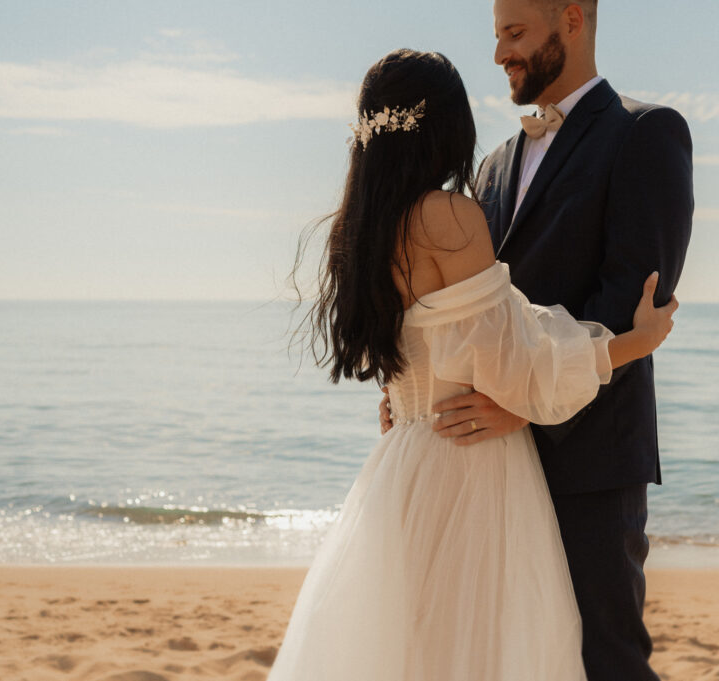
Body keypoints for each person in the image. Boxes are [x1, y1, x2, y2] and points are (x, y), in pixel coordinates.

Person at [271, 49, 677, 680]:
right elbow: (518, 367)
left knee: (422, 650)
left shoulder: (361, 227)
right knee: (489, 650)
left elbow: (405, 349)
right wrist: (636, 341)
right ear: (445, 127)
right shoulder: (452, 214)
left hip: (402, 465)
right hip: (470, 466)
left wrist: (404, 397)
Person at [382, 2, 694, 679]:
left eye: (515, 34)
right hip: (482, 470)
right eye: (496, 36)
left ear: (573, 21)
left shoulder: (646, 134)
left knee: (602, 657)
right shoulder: (491, 167)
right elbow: (467, 312)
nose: (499, 54)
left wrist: (523, 405)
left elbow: (627, 303)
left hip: (587, 461)